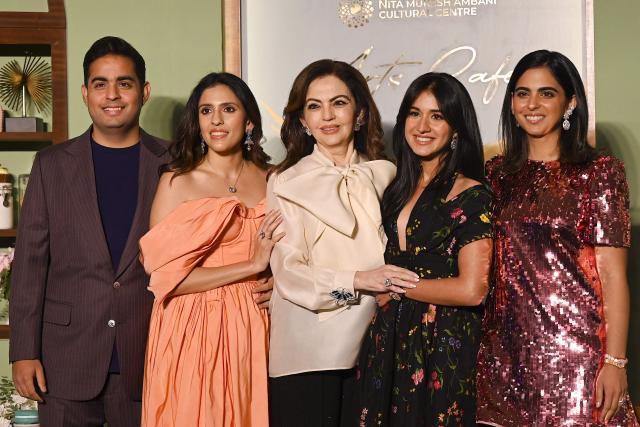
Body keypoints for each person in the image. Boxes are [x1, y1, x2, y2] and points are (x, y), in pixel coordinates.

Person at [9, 37, 168, 426]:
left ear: (144, 92)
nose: (112, 95)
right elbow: (29, 264)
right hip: (65, 360)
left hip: (149, 354)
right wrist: (23, 351)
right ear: (85, 93)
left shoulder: (175, 162)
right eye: (100, 84)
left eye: (124, 83)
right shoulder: (51, 165)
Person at [476, 50, 639, 426]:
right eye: (522, 93)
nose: (532, 104)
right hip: (503, 359)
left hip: (578, 359)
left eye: (546, 93)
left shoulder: (599, 173)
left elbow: (614, 276)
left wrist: (615, 362)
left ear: (571, 102)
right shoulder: (495, 174)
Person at [267, 59, 418, 426]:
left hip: (377, 344)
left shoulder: (388, 174)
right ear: (302, 120)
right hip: (308, 349)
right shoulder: (285, 182)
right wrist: (357, 280)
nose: (327, 116)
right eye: (314, 106)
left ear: (361, 113)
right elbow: (290, 275)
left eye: (339, 103)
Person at [351, 72, 493, 426]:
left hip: (443, 344)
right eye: (415, 114)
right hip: (388, 340)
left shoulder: (471, 193)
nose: (423, 126)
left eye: (437, 116)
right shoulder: (395, 187)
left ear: (456, 128)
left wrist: (395, 287)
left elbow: (472, 289)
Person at [139, 72, 277, 427]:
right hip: (192, 328)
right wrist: (251, 266)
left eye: (227, 109)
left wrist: (279, 281)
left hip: (257, 324)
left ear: (248, 122)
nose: (215, 120)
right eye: (205, 111)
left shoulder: (275, 179)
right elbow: (163, 277)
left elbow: (296, 255)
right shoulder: (176, 181)